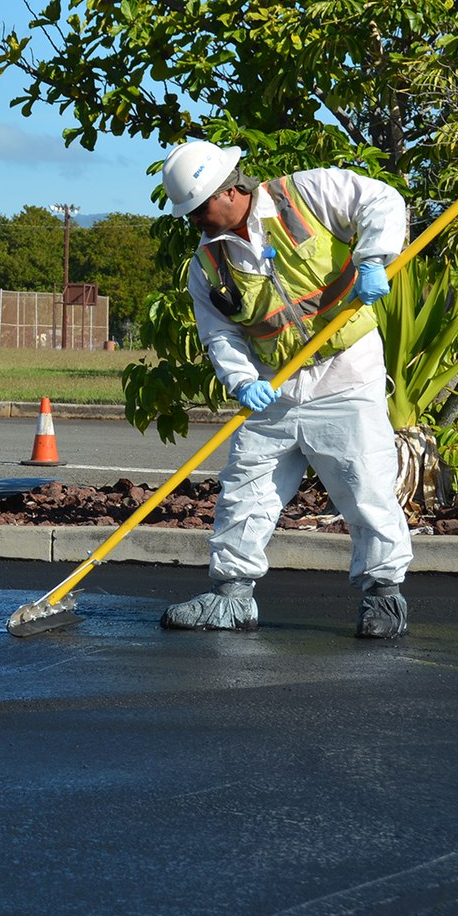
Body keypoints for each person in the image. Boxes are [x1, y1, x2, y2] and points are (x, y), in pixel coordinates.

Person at [157, 140, 412, 638]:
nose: (194, 220)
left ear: (229, 190)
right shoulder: (206, 264)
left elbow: (381, 200)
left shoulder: (307, 193)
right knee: (245, 488)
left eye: (199, 207)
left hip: (345, 370)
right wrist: (243, 380)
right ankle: (232, 597)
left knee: (365, 485)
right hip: (275, 386)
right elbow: (219, 333)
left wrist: (374, 257)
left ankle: (384, 596)